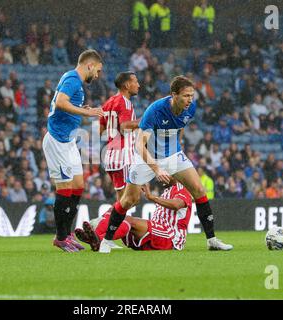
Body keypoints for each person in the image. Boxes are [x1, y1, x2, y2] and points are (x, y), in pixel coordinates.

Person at [99, 76, 233, 253]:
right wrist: (156, 168)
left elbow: (180, 126)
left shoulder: (190, 108)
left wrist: (178, 148)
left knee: (199, 191)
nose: (190, 100)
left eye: (192, 96)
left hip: (173, 155)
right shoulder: (155, 110)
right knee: (128, 200)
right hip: (147, 158)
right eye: (185, 96)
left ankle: (212, 240)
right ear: (173, 95)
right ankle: (106, 240)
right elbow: (139, 145)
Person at [43, 49, 104, 252]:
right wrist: (86, 111)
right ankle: (61, 238)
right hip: (58, 141)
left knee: (78, 186)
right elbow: (60, 103)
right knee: (65, 189)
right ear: (89, 65)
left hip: (68, 141)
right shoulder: (73, 79)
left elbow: (66, 105)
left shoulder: (71, 78)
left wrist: (81, 111)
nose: (97, 75)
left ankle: (67, 235)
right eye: (97, 70)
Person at [76, 180, 192, 251]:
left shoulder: (183, 189)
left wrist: (152, 198)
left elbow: (177, 204)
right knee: (117, 212)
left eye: (166, 172)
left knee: (128, 220)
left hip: (170, 236)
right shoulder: (167, 191)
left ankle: (98, 239)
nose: (161, 175)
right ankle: (95, 238)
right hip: (157, 233)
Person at [100, 72, 141, 201]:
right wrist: (145, 121)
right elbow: (124, 127)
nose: (138, 85)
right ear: (127, 85)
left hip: (112, 157)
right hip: (124, 157)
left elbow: (100, 131)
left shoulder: (109, 102)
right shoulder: (125, 102)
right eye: (136, 82)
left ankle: (104, 220)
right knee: (129, 200)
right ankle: (103, 221)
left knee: (125, 200)